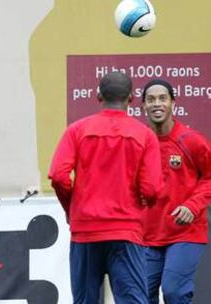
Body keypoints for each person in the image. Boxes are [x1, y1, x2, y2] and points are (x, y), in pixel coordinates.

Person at [49, 71, 163, 304]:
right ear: (131, 98)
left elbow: (59, 176)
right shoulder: (145, 135)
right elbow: (152, 189)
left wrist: (72, 208)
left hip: (86, 232)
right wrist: (143, 205)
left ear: (98, 95)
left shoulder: (77, 130)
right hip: (126, 231)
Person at [142, 79, 211, 304]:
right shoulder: (140, 142)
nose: (157, 104)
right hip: (147, 235)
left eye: (162, 98)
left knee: (173, 291)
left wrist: (193, 205)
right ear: (143, 106)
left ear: (173, 102)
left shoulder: (191, 141)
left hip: (185, 233)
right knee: (140, 295)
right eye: (151, 100)